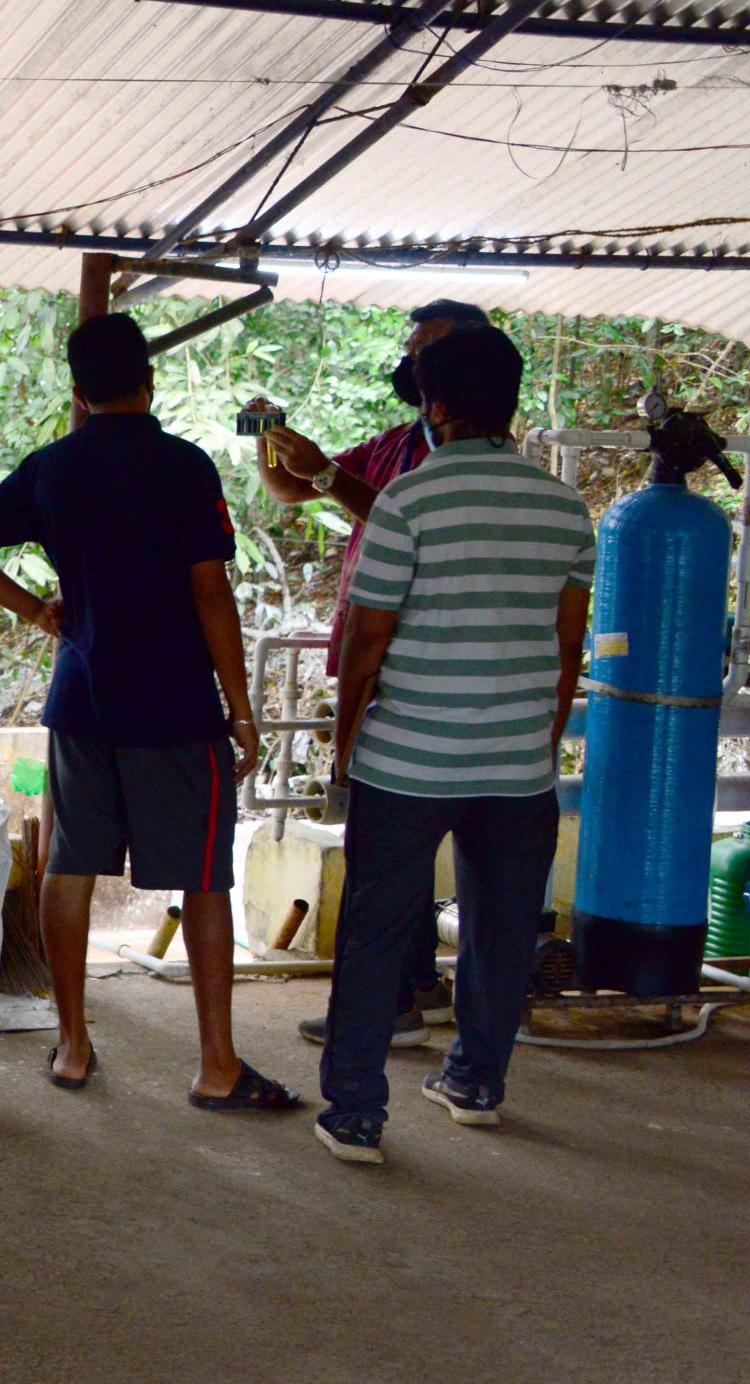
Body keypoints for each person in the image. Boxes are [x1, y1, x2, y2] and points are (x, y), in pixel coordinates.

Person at [0, 313, 296, 1111]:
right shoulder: (183, 465)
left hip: (83, 698)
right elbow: (211, 592)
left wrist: (35, 608)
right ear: (150, 381)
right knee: (203, 880)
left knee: (68, 866)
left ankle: (72, 1045)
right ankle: (216, 1064)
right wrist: (241, 710)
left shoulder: (52, 468)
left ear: (77, 391)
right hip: (175, 704)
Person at [312, 325, 592, 1166]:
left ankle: (356, 1112)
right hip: (517, 767)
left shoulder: (407, 500)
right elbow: (567, 647)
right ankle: (475, 1083)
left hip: (407, 762)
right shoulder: (565, 509)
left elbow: (366, 641)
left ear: (434, 406)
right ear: (510, 402)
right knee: (501, 931)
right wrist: (540, 741)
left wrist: (343, 744)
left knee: (375, 929)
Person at [261, 300, 491, 1045]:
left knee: (386, 844)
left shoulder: (469, 459)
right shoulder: (397, 442)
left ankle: (389, 1005)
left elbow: (396, 518)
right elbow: (296, 489)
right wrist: (272, 442)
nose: (410, 364)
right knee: (394, 842)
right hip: (375, 658)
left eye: (426, 351)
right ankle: (417, 983)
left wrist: (325, 472)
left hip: (410, 665)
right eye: (410, 348)